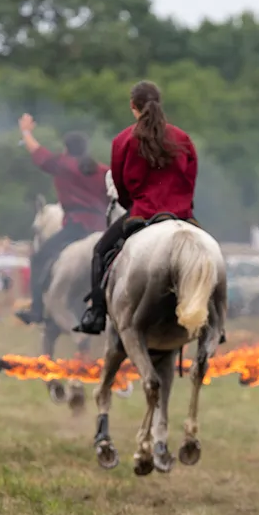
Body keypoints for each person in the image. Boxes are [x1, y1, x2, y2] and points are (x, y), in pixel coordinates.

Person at [74, 80, 198, 335]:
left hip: (143, 212)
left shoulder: (123, 140)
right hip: (181, 214)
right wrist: (182, 204)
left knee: (100, 251)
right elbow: (190, 177)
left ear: (133, 106)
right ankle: (216, 321)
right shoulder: (182, 138)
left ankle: (96, 313)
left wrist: (134, 205)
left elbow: (119, 186)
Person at [15, 115, 110, 325]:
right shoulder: (103, 170)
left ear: (66, 149)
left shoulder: (64, 164)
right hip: (103, 229)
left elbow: (38, 153)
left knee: (39, 259)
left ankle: (37, 311)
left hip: (78, 226)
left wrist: (26, 132)